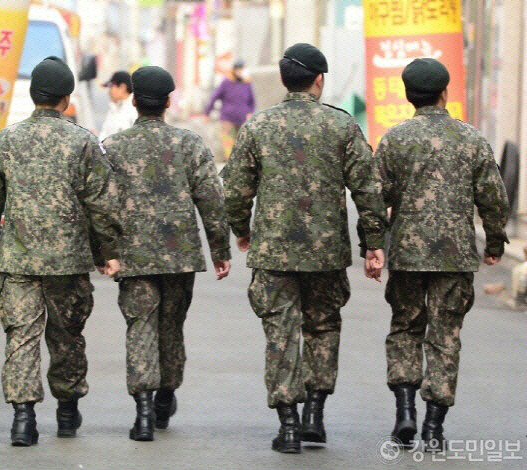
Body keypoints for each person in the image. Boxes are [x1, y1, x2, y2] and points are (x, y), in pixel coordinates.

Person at [220, 43, 388, 454]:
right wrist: (373, 245)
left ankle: (289, 425)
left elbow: (235, 191)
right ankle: (315, 414)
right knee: (323, 327)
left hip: (273, 252)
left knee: (280, 332)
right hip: (326, 253)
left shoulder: (258, 127)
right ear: (319, 79)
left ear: (282, 79)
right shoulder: (342, 126)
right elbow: (368, 190)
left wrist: (242, 229)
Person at [0, 56, 121, 447]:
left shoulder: (5, 140)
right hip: (68, 262)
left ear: (32, 94)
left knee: (22, 336)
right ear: (66, 98)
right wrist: (107, 251)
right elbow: (101, 204)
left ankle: (23, 419)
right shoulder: (84, 141)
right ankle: (68, 409)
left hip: (17, 260)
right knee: (67, 335)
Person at [372, 57, 510, 451]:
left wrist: (374, 244)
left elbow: (374, 198)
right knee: (445, 337)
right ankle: (434, 427)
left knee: (405, 328)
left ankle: (404, 413)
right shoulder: (471, 139)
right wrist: (496, 243)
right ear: (444, 93)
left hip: (408, 255)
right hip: (455, 256)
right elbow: (493, 199)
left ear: (407, 95)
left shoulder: (395, 139)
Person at [102, 65, 231, 442]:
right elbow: (211, 198)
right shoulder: (189, 144)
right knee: (171, 328)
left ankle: (142, 414)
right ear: (168, 102)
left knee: (140, 327)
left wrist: (105, 250)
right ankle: (164, 400)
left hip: (133, 257)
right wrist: (220, 248)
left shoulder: (113, 146)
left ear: (134, 100)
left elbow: (101, 204)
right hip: (180, 257)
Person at [204, 60, 255, 160]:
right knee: (227, 139)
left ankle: (239, 159)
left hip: (242, 117)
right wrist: (207, 112)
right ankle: (229, 159)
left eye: (242, 70)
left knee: (241, 139)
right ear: (234, 70)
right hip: (228, 117)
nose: (240, 72)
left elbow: (252, 100)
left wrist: (250, 112)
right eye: (239, 70)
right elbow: (215, 97)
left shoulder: (247, 83)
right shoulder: (226, 82)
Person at [98, 70, 138, 141]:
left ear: (123, 87)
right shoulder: (115, 107)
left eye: (111, 87)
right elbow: (105, 132)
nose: (109, 92)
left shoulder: (134, 109)